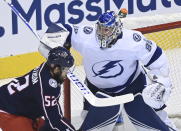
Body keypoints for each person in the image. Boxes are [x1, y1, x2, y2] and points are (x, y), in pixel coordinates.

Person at [46, 9, 178, 131]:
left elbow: (157, 57)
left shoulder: (132, 41)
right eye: (101, 29)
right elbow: (63, 29)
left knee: (154, 107)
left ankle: (169, 126)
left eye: (107, 30)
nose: (102, 33)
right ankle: (115, 119)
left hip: (133, 85)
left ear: (116, 30)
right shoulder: (86, 36)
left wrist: (161, 82)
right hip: (96, 89)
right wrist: (53, 42)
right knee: (89, 118)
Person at [0, 46, 77, 131]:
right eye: (65, 69)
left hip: (21, 109)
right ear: (56, 68)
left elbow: (53, 119)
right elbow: (55, 121)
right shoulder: (47, 86)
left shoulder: (47, 68)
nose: (67, 73)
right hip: (6, 111)